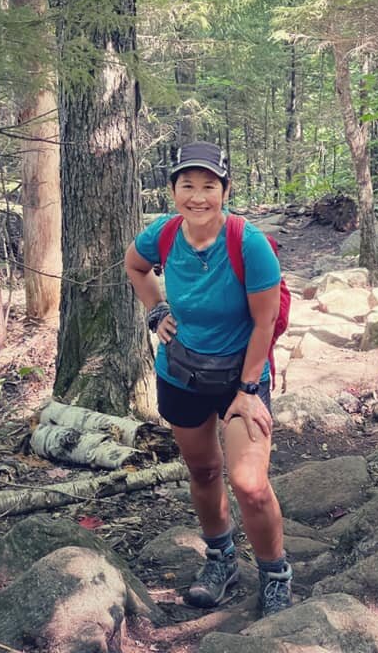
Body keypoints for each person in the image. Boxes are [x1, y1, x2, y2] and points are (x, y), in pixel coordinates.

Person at [124, 141, 292, 617]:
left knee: (250, 482)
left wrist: (247, 390)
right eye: (187, 185)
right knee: (202, 471)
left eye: (209, 186)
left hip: (241, 377)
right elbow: (134, 266)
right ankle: (221, 561)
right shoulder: (163, 235)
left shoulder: (248, 243)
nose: (198, 196)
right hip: (180, 373)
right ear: (173, 190)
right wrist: (156, 310)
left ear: (225, 190)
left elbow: (264, 323)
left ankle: (276, 573)